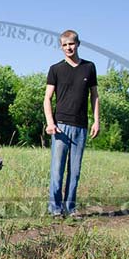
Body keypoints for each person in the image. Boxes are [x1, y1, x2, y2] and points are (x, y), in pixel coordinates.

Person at [43, 29, 100, 218]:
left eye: (71, 44)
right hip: (60, 126)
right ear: (61, 46)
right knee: (57, 171)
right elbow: (47, 99)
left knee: (74, 172)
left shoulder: (89, 67)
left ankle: (70, 208)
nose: (68, 47)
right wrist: (50, 123)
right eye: (65, 45)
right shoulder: (55, 69)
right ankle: (55, 209)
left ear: (78, 44)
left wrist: (96, 121)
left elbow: (95, 96)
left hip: (81, 126)